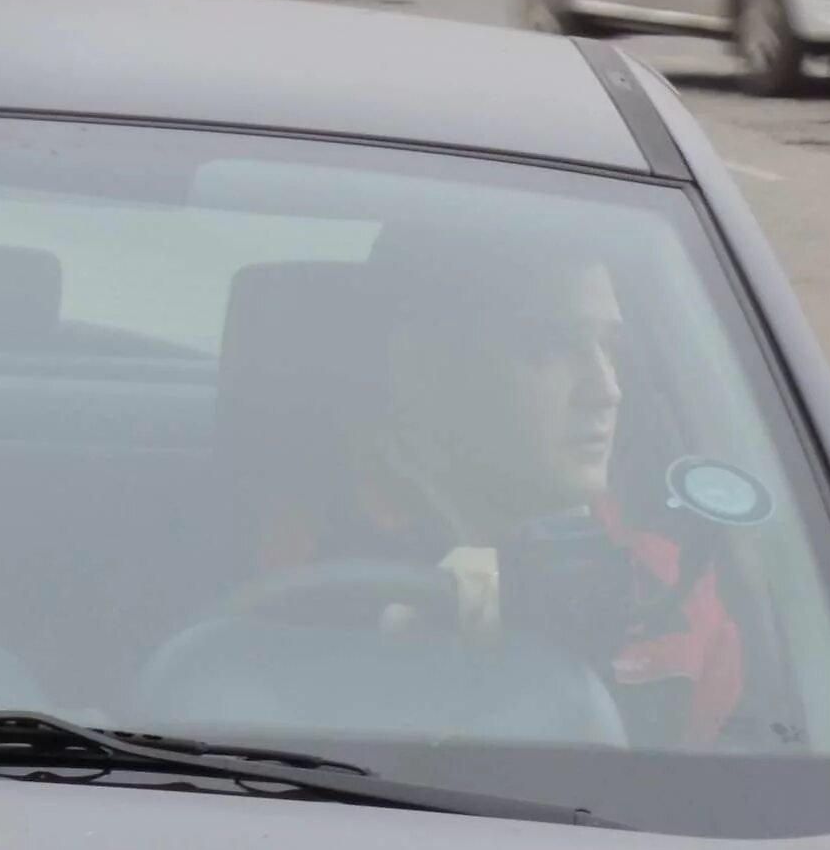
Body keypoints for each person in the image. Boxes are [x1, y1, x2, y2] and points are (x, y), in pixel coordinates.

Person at [252, 242, 742, 748]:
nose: (606, 390)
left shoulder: (670, 590)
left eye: (611, 348)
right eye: (548, 347)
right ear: (423, 366)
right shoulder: (297, 565)